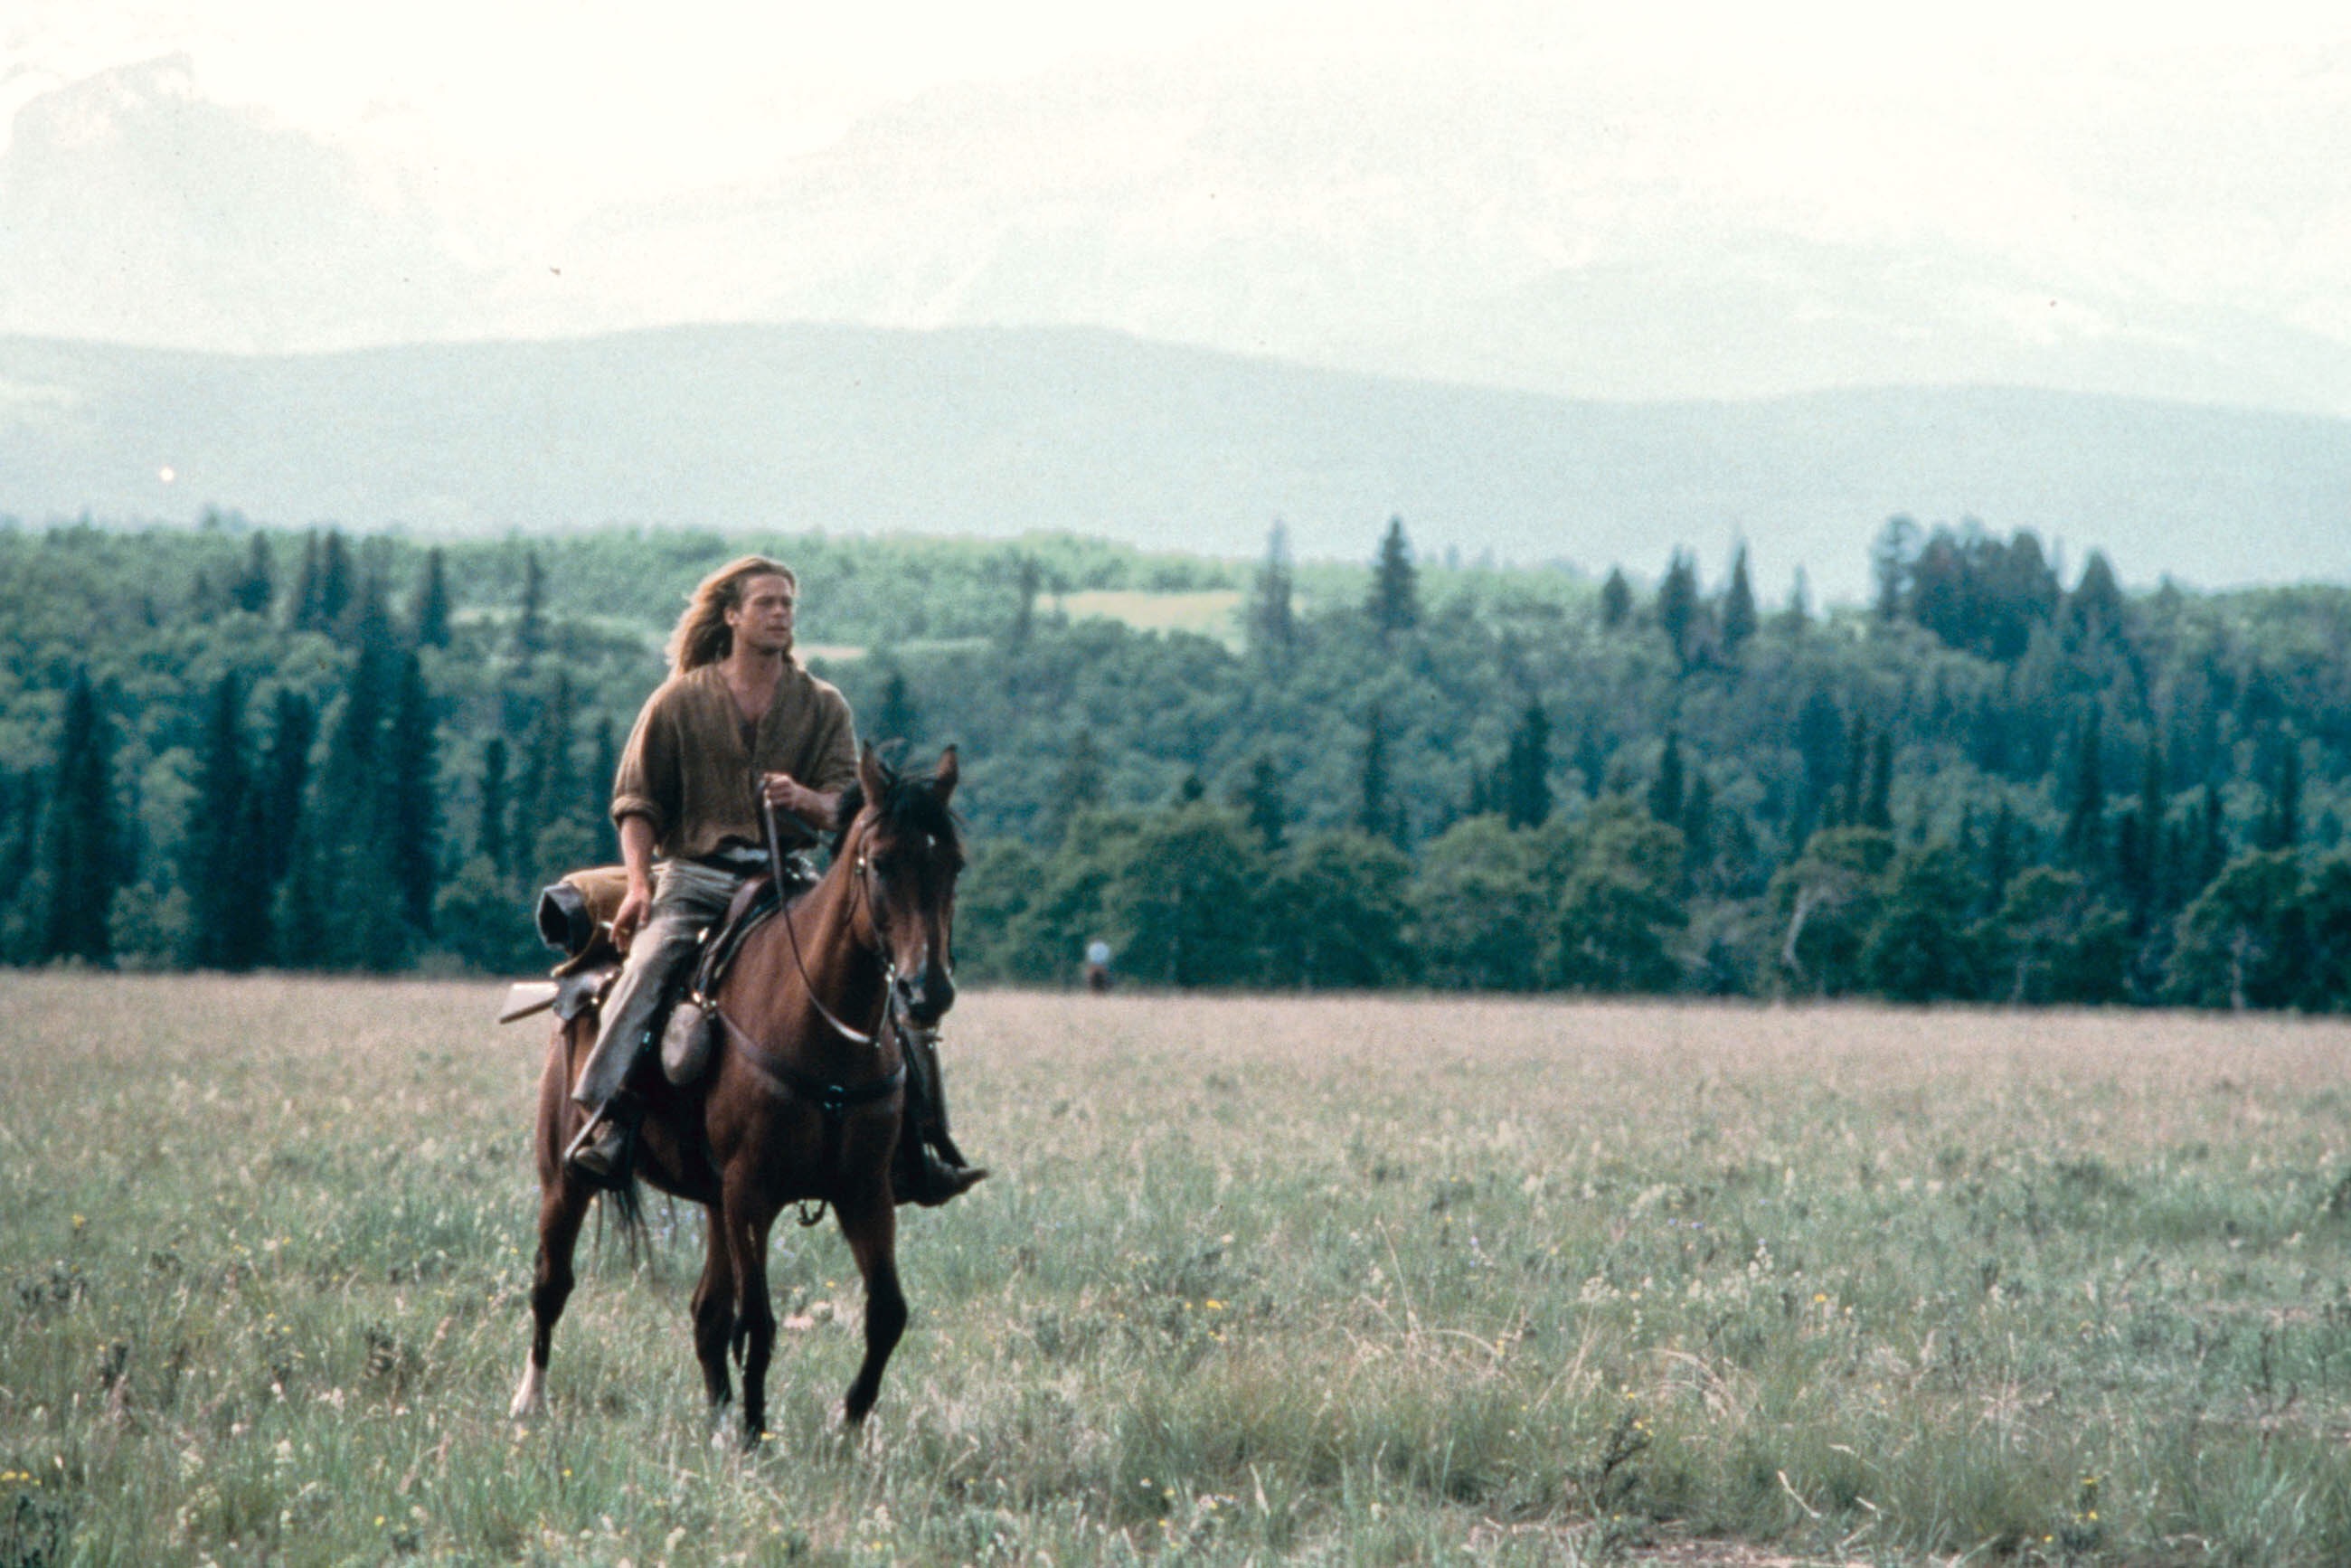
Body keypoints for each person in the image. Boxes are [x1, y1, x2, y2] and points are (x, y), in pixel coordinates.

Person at [564, 555, 984, 1205]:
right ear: (731, 616)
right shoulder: (677, 701)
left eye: (788, 603)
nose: (782, 613)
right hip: (696, 878)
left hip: (787, 876)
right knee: (648, 968)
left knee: (887, 980)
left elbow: (851, 810)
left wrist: (804, 799)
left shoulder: (821, 706)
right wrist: (642, 885)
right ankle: (611, 1119)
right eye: (767, 603)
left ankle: (921, 1144)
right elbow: (638, 804)